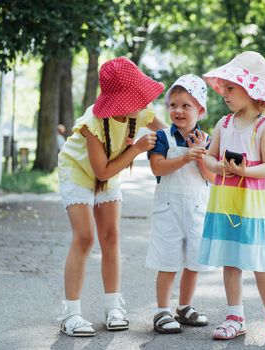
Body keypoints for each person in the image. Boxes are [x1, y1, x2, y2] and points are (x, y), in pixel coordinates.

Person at [57, 57, 167, 337]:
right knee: (84, 238)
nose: (140, 103)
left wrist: (191, 142)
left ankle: (113, 307)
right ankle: (71, 314)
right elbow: (102, 172)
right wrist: (137, 149)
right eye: (134, 98)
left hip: (110, 169)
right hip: (79, 170)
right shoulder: (92, 124)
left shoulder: (141, 112)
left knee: (111, 238)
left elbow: (168, 133)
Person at [199, 51, 265, 340]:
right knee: (231, 260)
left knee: (260, 261)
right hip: (226, 203)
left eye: (231, 88)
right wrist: (220, 167)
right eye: (224, 88)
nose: (224, 94)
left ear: (251, 89)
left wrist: (244, 171)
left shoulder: (264, 127)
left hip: (252, 206)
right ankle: (235, 315)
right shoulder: (223, 124)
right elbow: (208, 157)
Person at [146, 74, 215, 334]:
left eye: (186, 105)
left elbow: (211, 177)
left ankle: (185, 306)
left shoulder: (207, 140)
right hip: (168, 209)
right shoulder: (163, 137)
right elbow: (158, 167)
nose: (178, 110)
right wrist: (187, 156)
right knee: (168, 260)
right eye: (173, 105)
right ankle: (162, 310)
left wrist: (199, 157)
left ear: (200, 110)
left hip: (197, 209)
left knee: (194, 261)